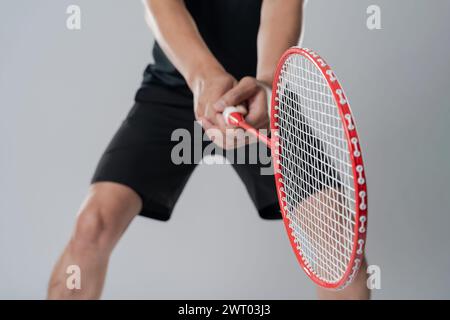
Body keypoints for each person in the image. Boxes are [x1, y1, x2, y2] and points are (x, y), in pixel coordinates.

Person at [47, 0, 369, 299]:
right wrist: (205, 79)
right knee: (93, 224)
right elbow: (159, 5)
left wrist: (269, 84)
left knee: (340, 245)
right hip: (174, 89)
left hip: (256, 97)